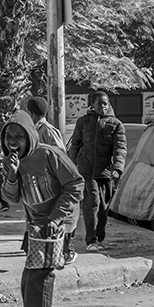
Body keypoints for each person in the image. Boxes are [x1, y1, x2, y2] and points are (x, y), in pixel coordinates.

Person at [1, 111, 84, 307]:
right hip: (35, 227)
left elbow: (76, 184)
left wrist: (56, 218)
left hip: (55, 224)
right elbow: (11, 198)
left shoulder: (49, 154)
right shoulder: (12, 161)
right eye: (8, 136)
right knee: (29, 280)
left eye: (19, 136)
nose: (13, 141)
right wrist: (12, 173)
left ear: (29, 136)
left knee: (39, 279)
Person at [67, 91, 126, 252]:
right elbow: (75, 145)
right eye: (99, 103)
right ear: (92, 105)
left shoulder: (116, 125)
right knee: (92, 202)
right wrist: (72, 166)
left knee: (103, 208)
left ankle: (100, 238)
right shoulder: (83, 122)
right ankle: (91, 240)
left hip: (105, 172)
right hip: (85, 171)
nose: (103, 107)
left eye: (105, 103)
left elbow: (120, 148)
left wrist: (117, 167)